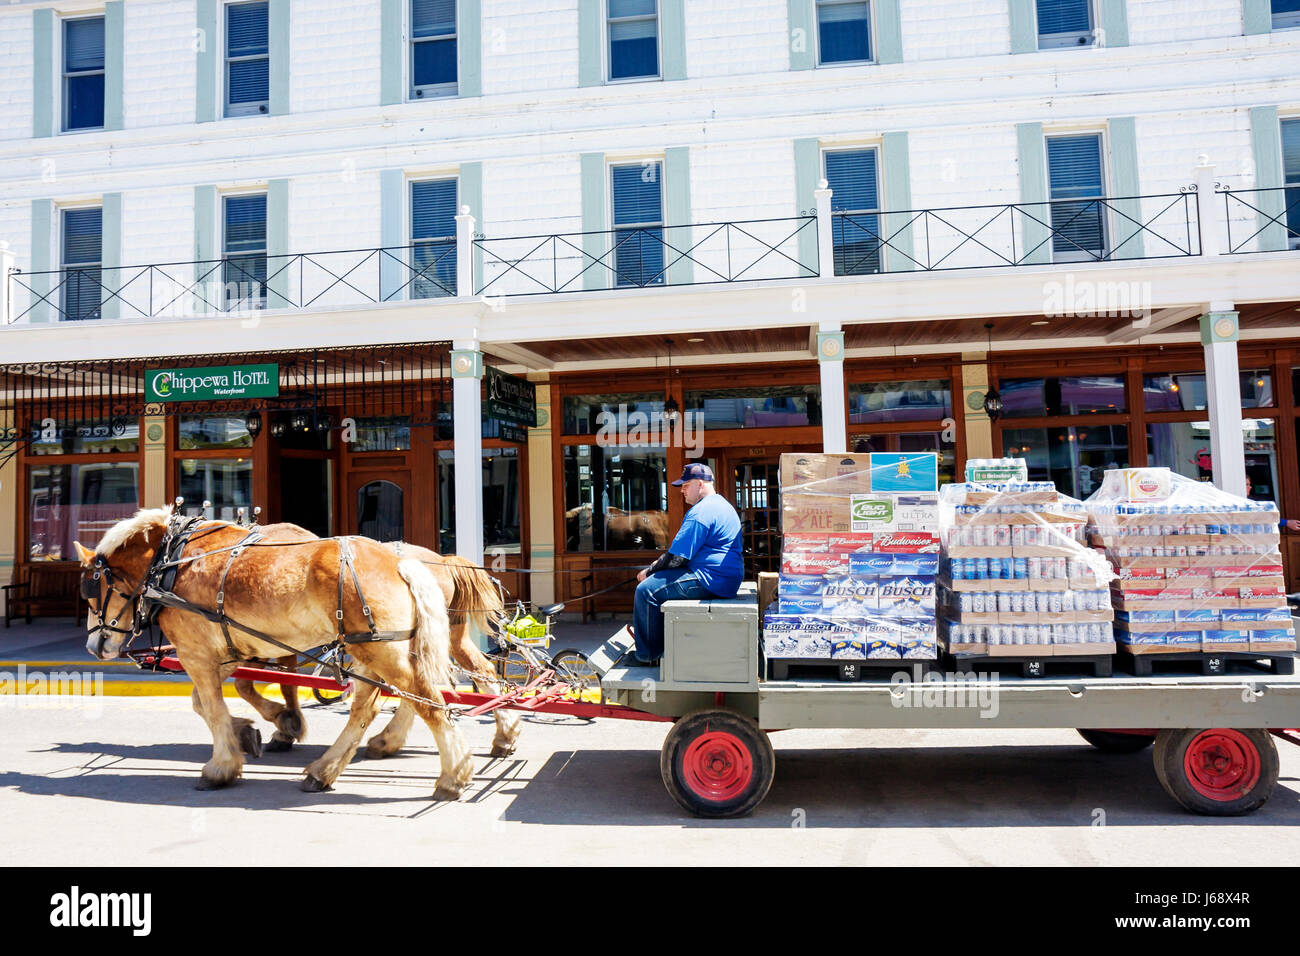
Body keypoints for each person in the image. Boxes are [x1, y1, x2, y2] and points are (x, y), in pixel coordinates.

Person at [628, 463, 744, 664]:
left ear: (700, 484)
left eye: (685, 484)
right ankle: (663, 646)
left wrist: (648, 571)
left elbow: (677, 558)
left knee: (646, 590)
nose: (681, 490)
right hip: (726, 579)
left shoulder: (700, 512)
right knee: (658, 581)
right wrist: (658, 566)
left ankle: (647, 656)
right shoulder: (722, 504)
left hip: (710, 579)